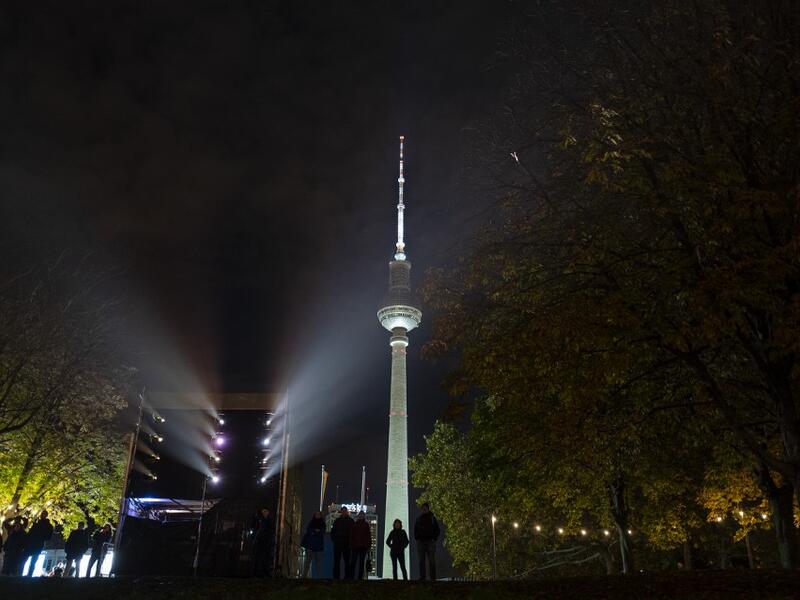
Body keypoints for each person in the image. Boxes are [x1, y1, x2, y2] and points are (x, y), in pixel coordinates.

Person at [22, 511, 53, 576]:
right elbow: (30, 533)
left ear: (46, 515)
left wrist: (40, 537)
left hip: (38, 544)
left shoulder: (48, 526)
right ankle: (21, 573)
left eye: (44, 514)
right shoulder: (36, 524)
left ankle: (29, 575)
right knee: (25, 559)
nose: (42, 515)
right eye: (42, 514)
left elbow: (48, 536)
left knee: (33, 561)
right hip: (31, 543)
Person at [414, 503, 440, 581]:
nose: (424, 509)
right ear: (421, 509)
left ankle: (433, 578)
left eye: (425, 508)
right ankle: (422, 577)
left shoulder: (432, 518)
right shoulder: (418, 519)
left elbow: (437, 530)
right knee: (421, 561)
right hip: (421, 542)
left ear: (428, 509)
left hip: (430, 542)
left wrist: (434, 539)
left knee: (431, 560)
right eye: (423, 508)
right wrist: (417, 538)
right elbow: (415, 530)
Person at [330, 506, 354, 579]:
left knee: (346, 562)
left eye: (345, 511)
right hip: (338, 543)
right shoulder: (338, 521)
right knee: (337, 561)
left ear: (346, 512)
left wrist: (350, 542)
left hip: (346, 544)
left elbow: (353, 533)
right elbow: (333, 531)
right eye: (343, 511)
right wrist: (334, 539)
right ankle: (336, 577)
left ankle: (347, 577)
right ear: (341, 512)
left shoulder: (350, 521)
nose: (344, 512)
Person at [300, 511, 325, 578]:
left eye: (318, 514)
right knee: (308, 562)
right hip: (311, 546)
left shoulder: (321, 524)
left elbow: (319, 532)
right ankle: (304, 576)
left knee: (317, 563)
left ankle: (318, 577)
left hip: (316, 546)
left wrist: (315, 532)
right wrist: (317, 532)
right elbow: (310, 531)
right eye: (316, 514)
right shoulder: (313, 523)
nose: (317, 515)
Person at [252, 508, 274, 577]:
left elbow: (269, 531)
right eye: (263, 512)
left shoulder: (267, 521)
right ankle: (258, 572)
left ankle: (262, 572)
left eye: (265, 511)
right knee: (259, 557)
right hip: (261, 541)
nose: (264, 513)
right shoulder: (261, 520)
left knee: (263, 557)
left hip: (265, 541)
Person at [350, 511, 372, 580]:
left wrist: (368, 546)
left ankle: (359, 578)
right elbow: (351, 535)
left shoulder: (365, 525)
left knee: (361, 564)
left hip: (363, 547)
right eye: (360, 515)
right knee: (354, 563)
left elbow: (368, 536)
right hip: (356, 546)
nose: (361, 516)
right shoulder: (355, 524)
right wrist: (352, 544)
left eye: (362, 515)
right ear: (358, 516)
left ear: (364, 516)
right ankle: (353, 577)